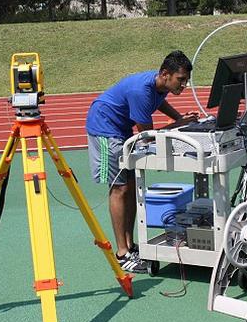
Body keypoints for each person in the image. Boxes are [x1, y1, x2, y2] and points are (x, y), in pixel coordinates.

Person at [85, 50, 198, 273]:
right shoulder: (141, 91)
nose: (184, 85)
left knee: (132, 187)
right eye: (181, 80)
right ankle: (121, 253)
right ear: (165, 74)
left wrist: (178, 118)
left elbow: (159, 102)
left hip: (121, 129)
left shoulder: (160, 85)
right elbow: (145, 137)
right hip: (106, 129)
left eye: (186, 80)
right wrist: (176, 125)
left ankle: (130, 244)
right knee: (120, 188)